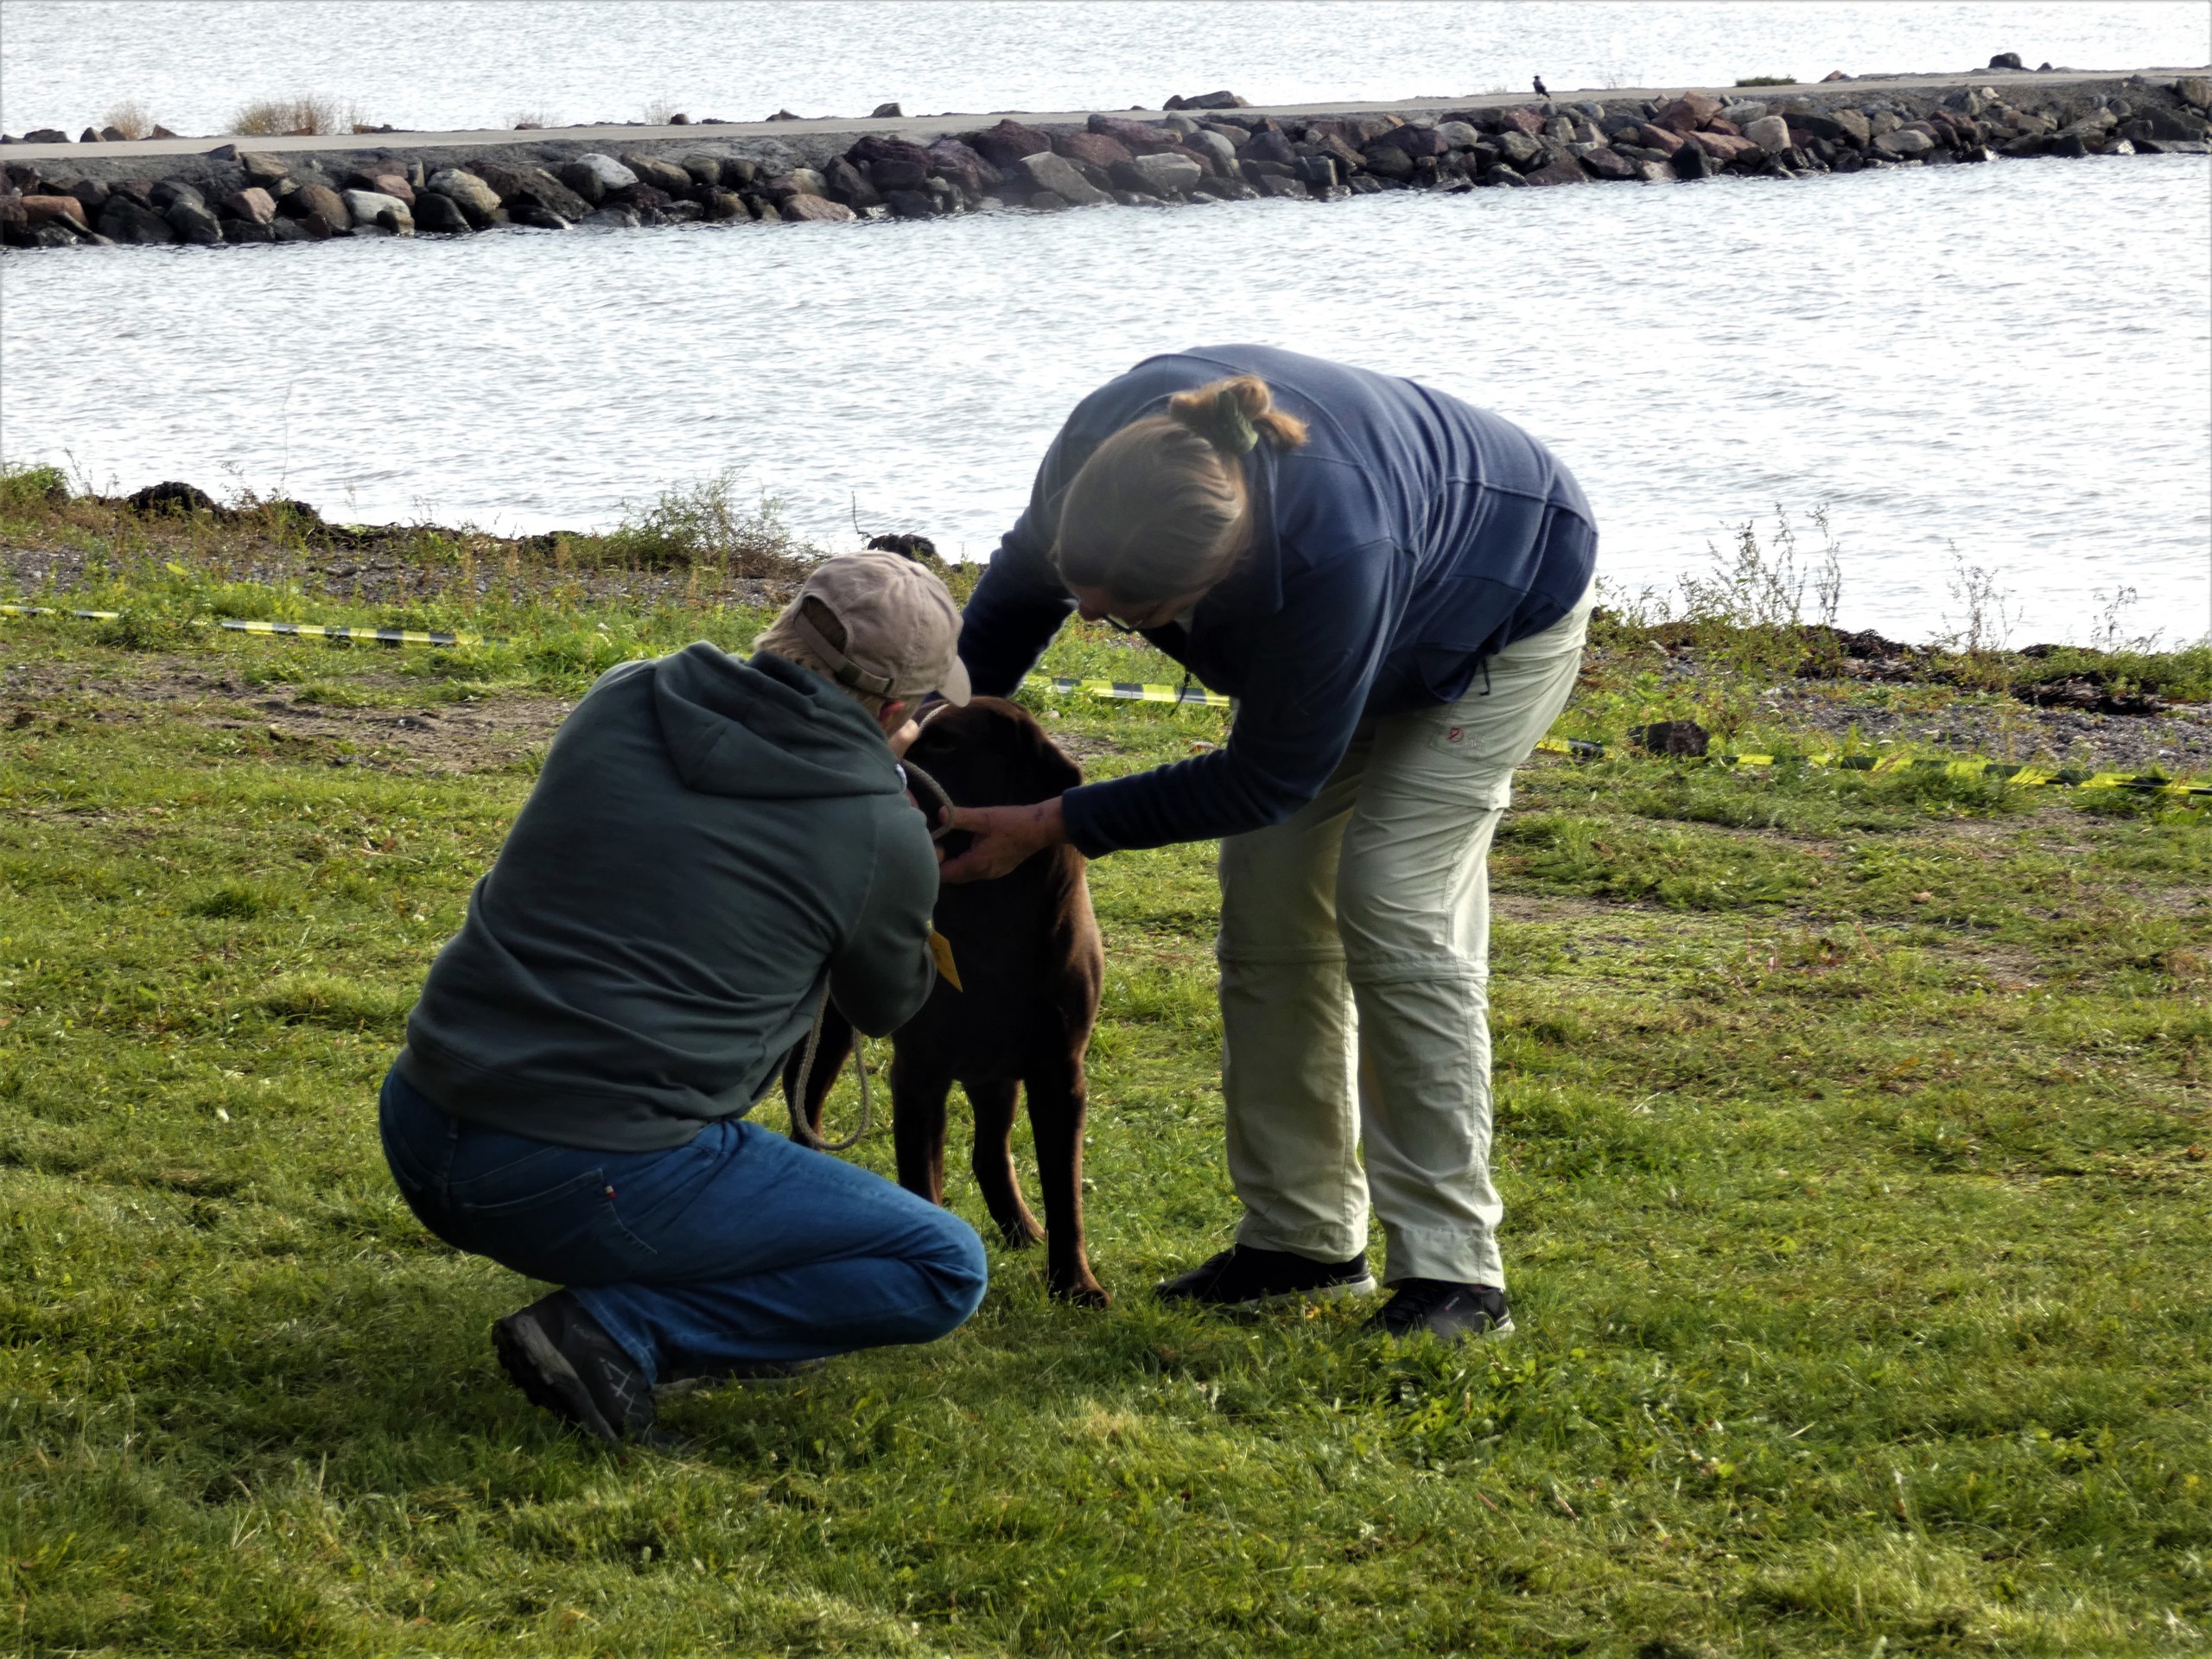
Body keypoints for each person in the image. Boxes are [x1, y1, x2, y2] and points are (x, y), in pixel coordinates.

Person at [942, 346, 1596, 1344]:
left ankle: (1456, 1276)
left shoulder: (1334, 549)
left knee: (1393, 897)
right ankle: (1301, 1243)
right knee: (1267, 903)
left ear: (1227, 567)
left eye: (1135, 614)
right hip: (1355, 605)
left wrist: (1050, 824)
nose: (1093, 615)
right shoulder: (1101, 453)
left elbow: (1266, 777)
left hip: (1499, 608)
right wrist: (914, 730)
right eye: (1085, 586)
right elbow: (1014, 605)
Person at [379, 552, 988, 1444]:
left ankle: (716, 1315)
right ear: (899, 709)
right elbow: (886, 1005)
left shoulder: (626, 692)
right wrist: (890, 828)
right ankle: (617, 1332)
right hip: (582, 1178)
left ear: (782, 630)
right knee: (941, 1265)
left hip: (422, 1114)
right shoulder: (877, 827)